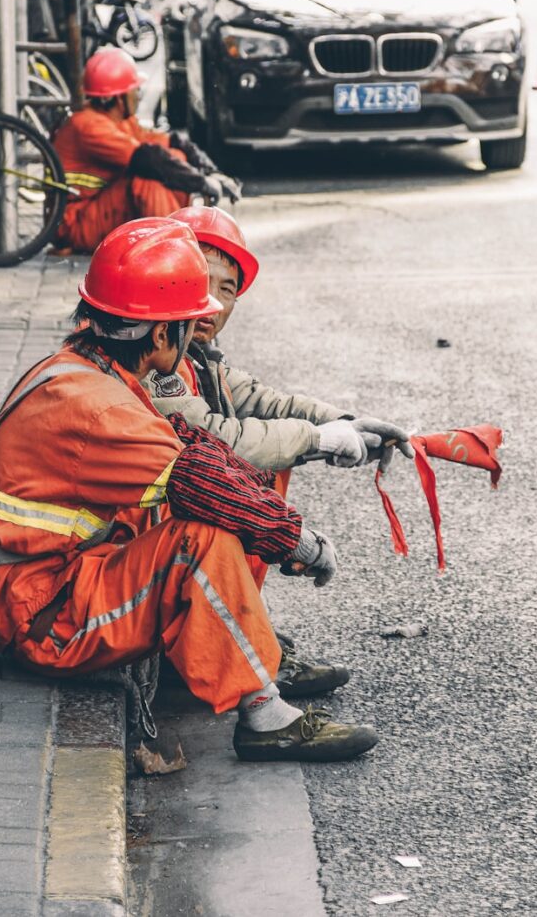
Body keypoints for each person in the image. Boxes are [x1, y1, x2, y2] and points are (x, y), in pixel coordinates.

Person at [0, 217, 377, 763]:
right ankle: (264, 715)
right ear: (161, 335)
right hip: (43, 619)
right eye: (187, 320)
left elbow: (202, 451)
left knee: (233, 489)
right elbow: (203, 483)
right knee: (200, 539)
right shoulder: (101, 408)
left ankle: (237, 657)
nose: (198, 327)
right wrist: (300, 543)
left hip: (50, 584)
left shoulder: (89, 370)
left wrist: (323, 443)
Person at [145, 206, 414, 697]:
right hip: (100, 576)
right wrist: (318, 442)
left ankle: (236, 635)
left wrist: (345, 422)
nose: (212, 303)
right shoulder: (155, 359)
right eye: (201, 281)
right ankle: (211, 654)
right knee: (234, 486)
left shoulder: (192, 355)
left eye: (227, 291)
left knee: (266, 466)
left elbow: (263, 401)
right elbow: (216, 437)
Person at [51, 49, 239, 255]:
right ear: (118, 97)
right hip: (75, 224)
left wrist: (211, 171)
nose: (138, 96)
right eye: (134, 90)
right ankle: (174, 253)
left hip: (96, 210)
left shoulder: (120, 121)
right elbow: (147, 159)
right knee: (147, 181)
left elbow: (172, 143)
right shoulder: (88, 126)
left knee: (176, 158)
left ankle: (181, 242)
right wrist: (202, 183)